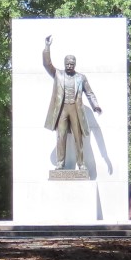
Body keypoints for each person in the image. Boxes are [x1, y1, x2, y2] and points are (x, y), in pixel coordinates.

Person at [42, 35, 102, 172]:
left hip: (75, 109)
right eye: (67, 64)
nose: (69, 66)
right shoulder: (57, 74)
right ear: (64, 64)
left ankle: (81, 164)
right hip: (62, 109)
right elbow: (47, 64)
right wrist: (47, 47)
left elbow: (89, 93)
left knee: (78, 137)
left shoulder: (81, 77)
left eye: (71, 64)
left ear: (75, 65)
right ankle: (60, 163)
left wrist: (95, 105)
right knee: (60, 136)